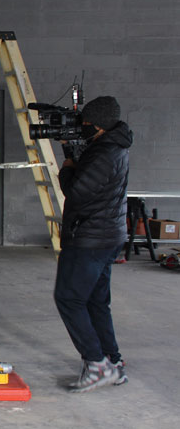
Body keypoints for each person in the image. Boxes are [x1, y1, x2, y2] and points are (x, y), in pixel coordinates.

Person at [54, 95, 132, 393]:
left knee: (69, 298)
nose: (83, 126)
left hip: (90, 237)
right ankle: (113, 362)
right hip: (106, 235)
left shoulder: (104, 154)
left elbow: (76, 192)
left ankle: (98, 365)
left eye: (86, 123)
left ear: (99, 125)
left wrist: (68, 165)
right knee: (96, 301)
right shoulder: (112, 146)